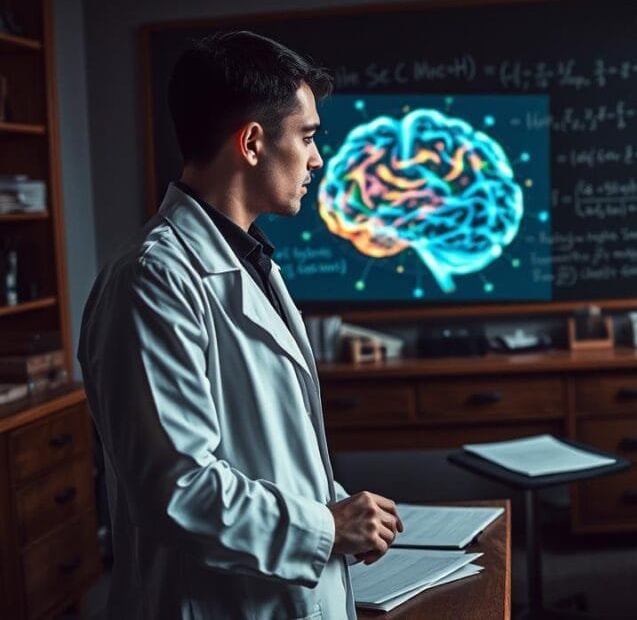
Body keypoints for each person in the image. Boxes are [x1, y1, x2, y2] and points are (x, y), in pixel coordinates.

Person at [78, 31, 402, 619]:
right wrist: (325, 526)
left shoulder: (248, 262)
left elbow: (267, 453)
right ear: (252, 143)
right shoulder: (152, 279)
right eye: (306, 136)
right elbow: (176, 489)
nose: (317, 158)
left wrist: (339, 508)